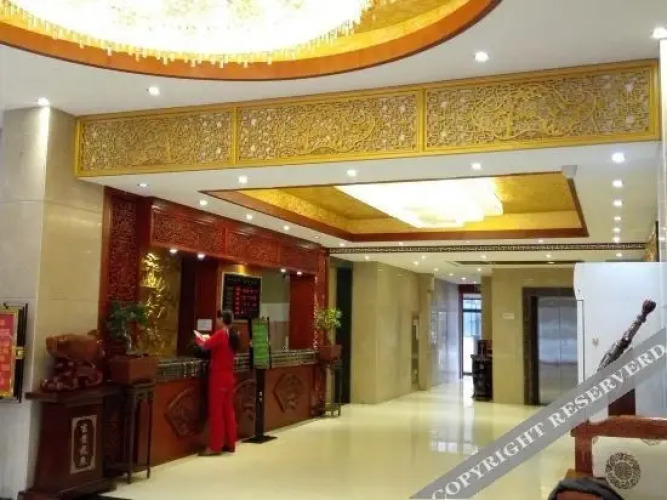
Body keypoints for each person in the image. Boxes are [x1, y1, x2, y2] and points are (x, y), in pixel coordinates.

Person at [194, 309, 239, 456]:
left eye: (218, 318)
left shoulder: (221, 334)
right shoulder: (233, 335)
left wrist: (198, 337)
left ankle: (215, 446)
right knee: (228, 411)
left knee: (216, 412)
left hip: (218, 377)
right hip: (229, 376)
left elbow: (204, 345)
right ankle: (230, 443)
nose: (217, 320)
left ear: (221, 320)